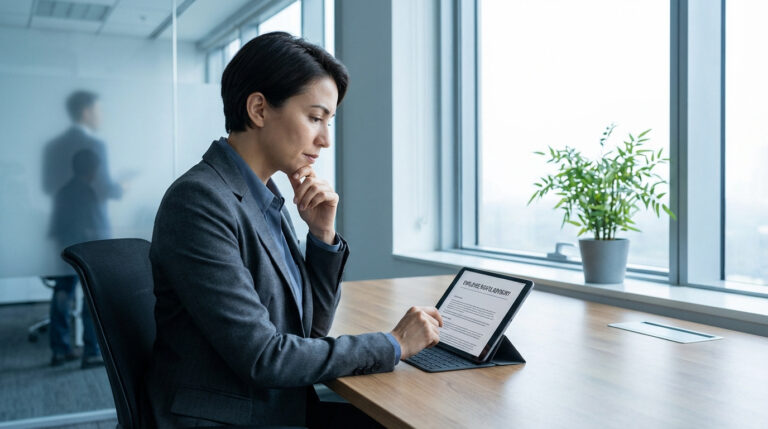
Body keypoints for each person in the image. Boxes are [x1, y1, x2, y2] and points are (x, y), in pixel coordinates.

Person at [146, 32, 442, 428]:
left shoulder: (265, 196)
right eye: (315, 118)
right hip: (232, 418)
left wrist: (322, 237)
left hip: (276, 405)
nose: (326, 139)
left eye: (329, 122)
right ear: (258, 109)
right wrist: (393, 343)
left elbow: (310, 331)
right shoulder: (200, 201)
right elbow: (263, 357)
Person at [42, 90, 122, 368]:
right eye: (98, 110)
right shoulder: (94, 145)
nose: (101, 115)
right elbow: (104, 188)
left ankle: (60, 349)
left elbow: (47, 186)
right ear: (86, 111)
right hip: (91, 226)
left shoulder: (52, 146)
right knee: (92, 288)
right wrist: (122, 188)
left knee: (64, 286)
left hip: (64, 224)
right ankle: (92, 350)